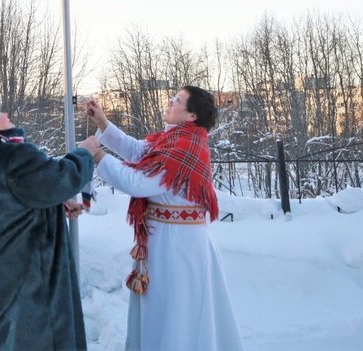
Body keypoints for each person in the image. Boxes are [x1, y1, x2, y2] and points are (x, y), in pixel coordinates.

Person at [83, 86, 244, 351]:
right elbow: (136, 151)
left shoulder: (184, 149)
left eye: (177, 100)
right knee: (162, 315)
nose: (170, 103)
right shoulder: (171, 140)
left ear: (191, 116)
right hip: (165, 243)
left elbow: (138, 182)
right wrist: (102, 122)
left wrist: (97, 155)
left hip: (179, 250)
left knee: (176, 317)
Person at [0, 91, 99, 350]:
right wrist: (83, 153)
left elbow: (10, 208)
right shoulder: (12, 157)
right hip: (28, 281)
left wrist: (52, 207)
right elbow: (60, 179)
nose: (6, 114)